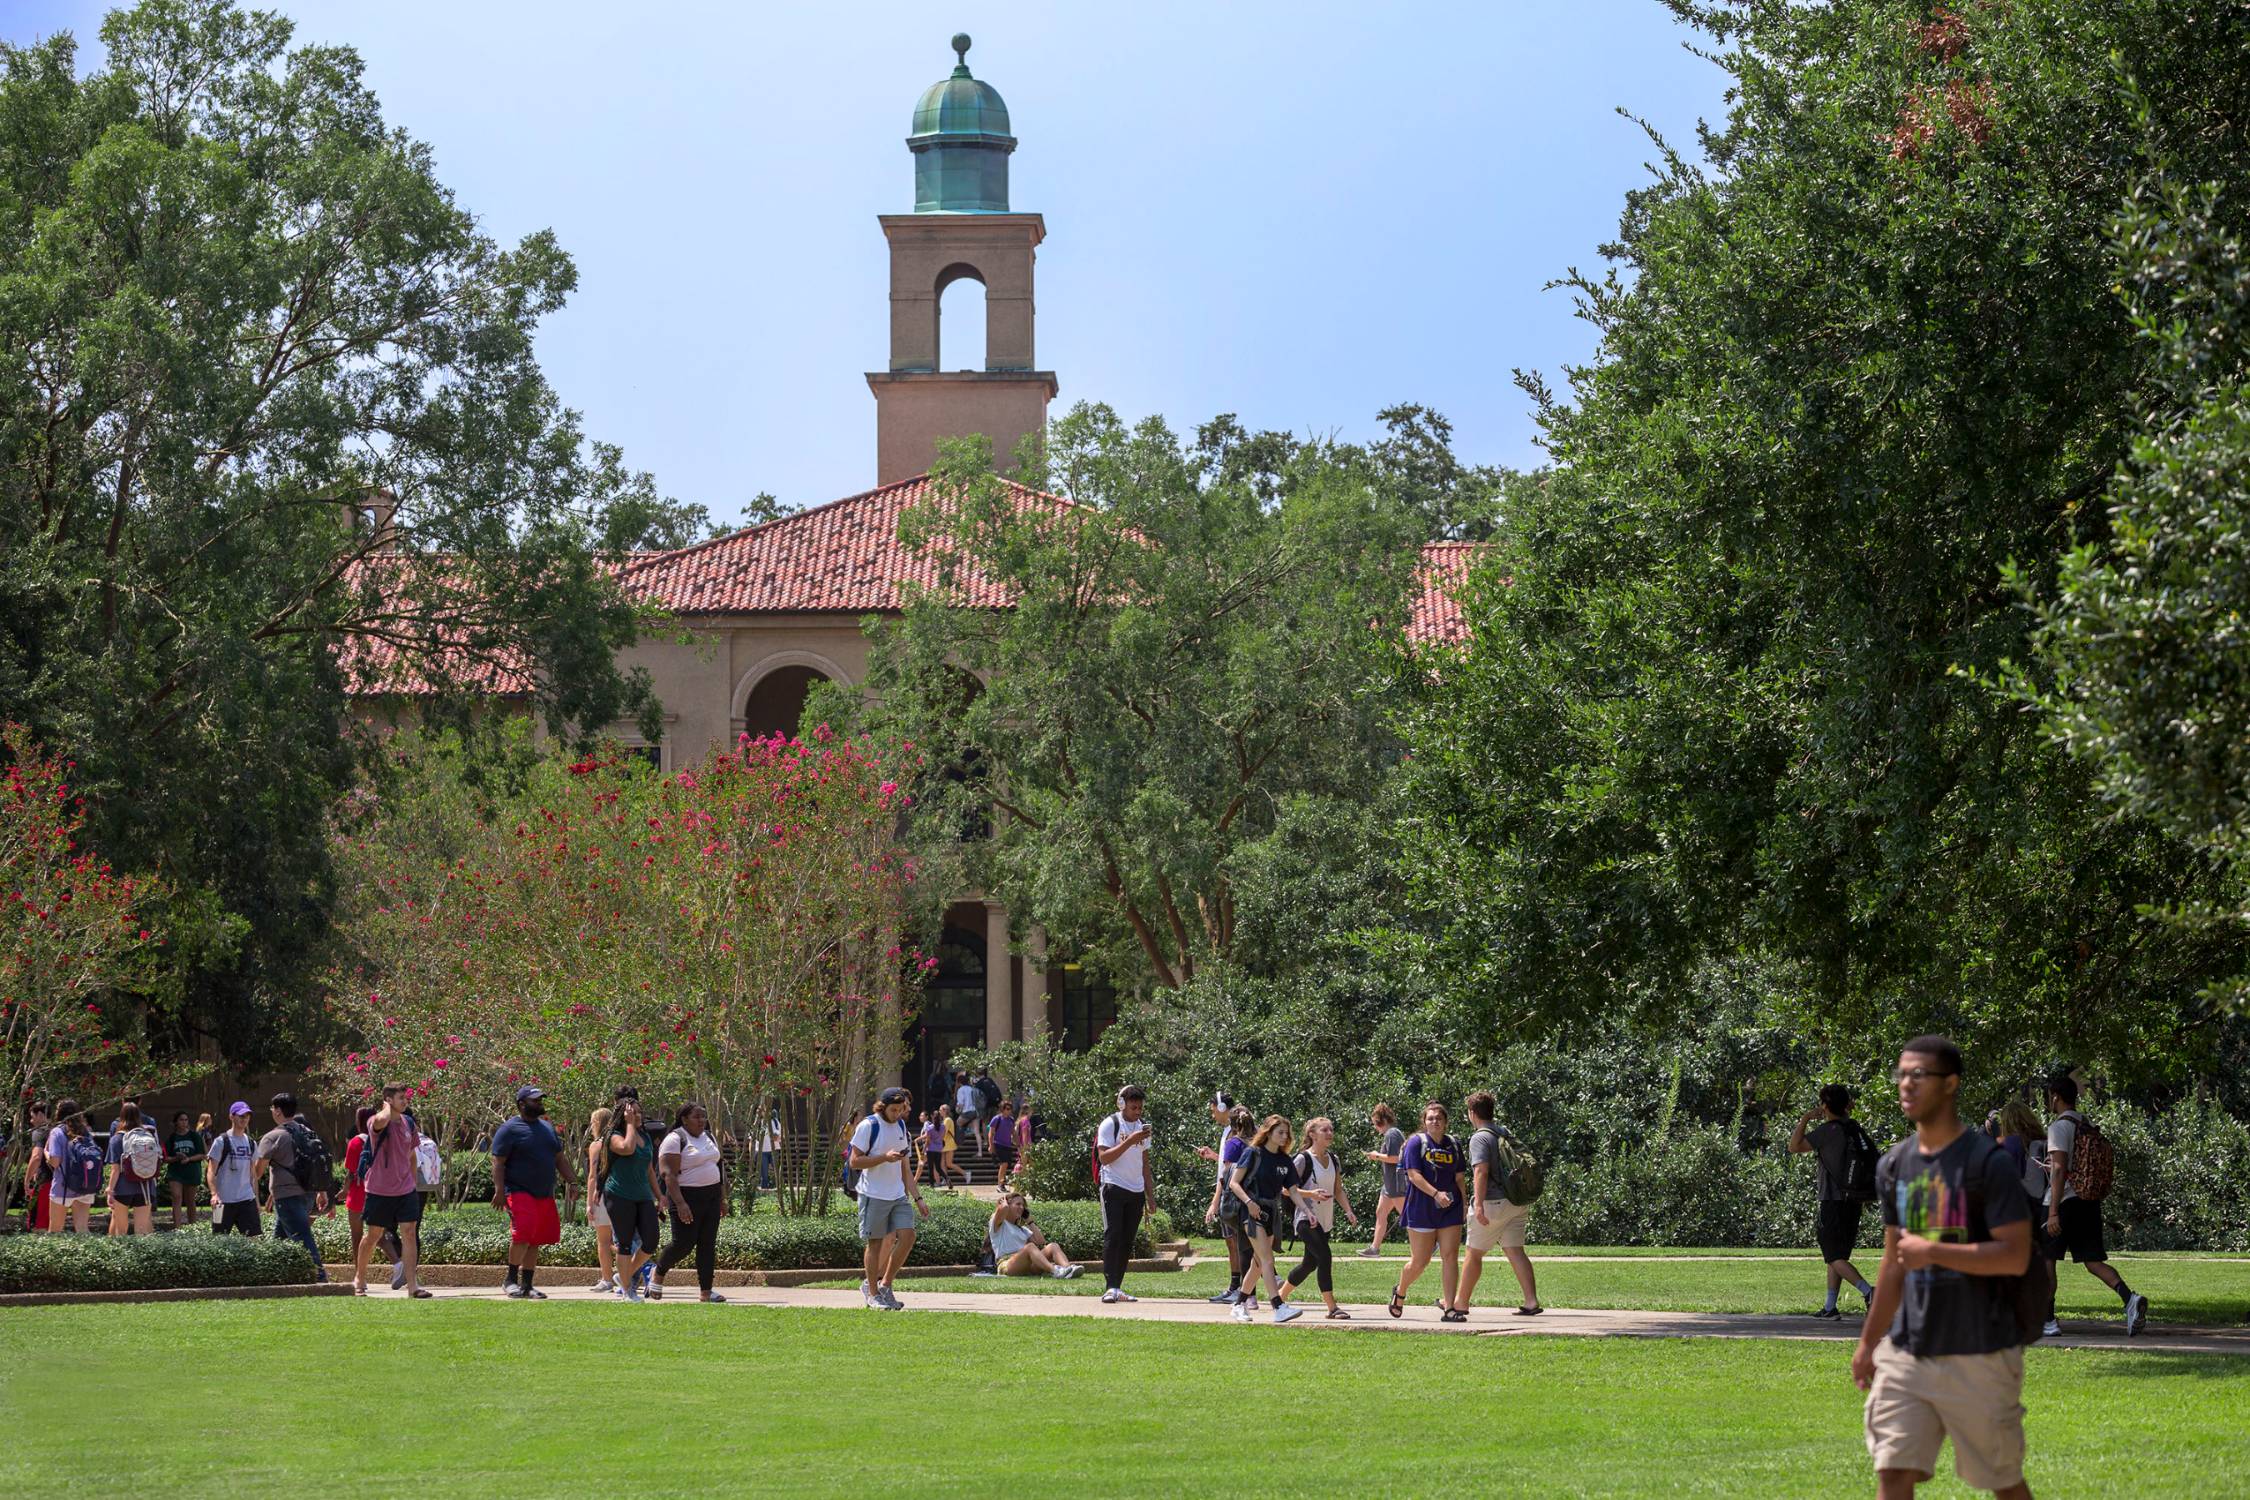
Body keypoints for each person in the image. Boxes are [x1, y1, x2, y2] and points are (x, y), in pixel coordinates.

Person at [1853, 1036, 2036, 1499]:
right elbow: (1894, 1263)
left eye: (1919, 1075)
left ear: (1950, 1084)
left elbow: (2014, 1255)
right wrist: (1868, 1342)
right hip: (1908, 1351)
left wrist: (1934, 1252)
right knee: (1893, 1470)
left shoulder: (1986, 1163)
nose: (1906, 1084)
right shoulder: (1894, 1165)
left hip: (1979, 1352)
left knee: (2003, 1483)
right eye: (1901, 1074)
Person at [2041, 1074, 2145, 1336]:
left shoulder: (2059, 1127)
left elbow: (2059, 1169)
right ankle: (2129, 1298)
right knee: (2093, 1261)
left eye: (2050, 1096)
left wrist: (2053, 1212)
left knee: (2046, 1261)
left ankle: (2048, 1320)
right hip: (2087, 1201)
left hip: (2062, 1202)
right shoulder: (2085, 1123)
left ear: (2056, 1096)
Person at [1790, 1084, 1877, 1320]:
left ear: (1825, 1106)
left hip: (1832, 1200)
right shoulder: (1853, 1127)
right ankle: (1830, 1307)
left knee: (1832, 1256)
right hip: (1854, 1200)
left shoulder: (1827, 1131)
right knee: (1838, 1255)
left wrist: (1806, 1118)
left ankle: (1869, 1292)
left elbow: (1794, 1146)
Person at [1457, 1091, 1541, 1319]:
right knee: (1515, 1250)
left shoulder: (1480, 1137)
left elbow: (1480, 1171)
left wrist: (1480, 1205)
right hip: (1517, 1201)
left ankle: (1460, 1303)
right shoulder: (1504, 1132)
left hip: (1493, 1202)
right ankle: (1531, 1301)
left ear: (1471, 1113)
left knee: (1473, 1253)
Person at [847, 1086, 928, 1310]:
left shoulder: (902, 1126)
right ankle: (872, 1293)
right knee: (875, 1243)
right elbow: (855, 1161)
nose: (898, 1114)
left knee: (908, 1236)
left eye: (901, 1109)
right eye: (893, 1110)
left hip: (897, 1195)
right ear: (882, 1107)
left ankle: (886, 1285)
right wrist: (883, 1157)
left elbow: (906, 1170)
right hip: (873, 1193)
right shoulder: (868, 1126)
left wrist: (918, 1198)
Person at [1223, 1114, 1304, 1324]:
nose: (1285, 1137)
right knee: (1268, 1259)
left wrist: (1307, 1212)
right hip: (1250, 1212)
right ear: (1267, 1132)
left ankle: (1238, 1304)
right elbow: (1234, 1182)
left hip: (1270, 1212)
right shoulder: (1253, 1153)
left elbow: (1293, 1191)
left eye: (1287, 1133)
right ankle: (1278, 1307)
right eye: (1280, 1132)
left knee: (1258, 1263)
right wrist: (1249, 1203)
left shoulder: (1285, 1160)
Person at [1274, 1115, 1357, 1319]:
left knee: (1309, 1264)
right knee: (1325, 1257)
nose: (1330, 1133)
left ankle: (1279, 1297)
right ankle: (1332, 1308)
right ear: (1312, 1134)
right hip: (1306, 1217)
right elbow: (1285, 1189)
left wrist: (1348, 1211)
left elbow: (1338, 1190)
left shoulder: (1334, 1159)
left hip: (1325, 1219)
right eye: (1324, 1130)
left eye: (1331, 1129)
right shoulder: (1303, 1159)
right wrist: (1311, 1194)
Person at [1389, 1102, 1466, 1320]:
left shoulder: (1453, 1144)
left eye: (1439, 1118)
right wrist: (1435, 1194)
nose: (1435, 1121)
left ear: (1445, 1121)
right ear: (1424, 1122)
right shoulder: (1416, 1143)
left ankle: (1450, 1308)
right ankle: (1400, 1291)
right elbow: (1413, 1175)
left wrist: (1465, 1203)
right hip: (1421, 1208)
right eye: (1430, 1118)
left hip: (1450, 1208)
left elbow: (1459, 1177)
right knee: (1420, 1261)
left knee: (1450, 1256)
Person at [492, 1085, 568, 1300]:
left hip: (543, 1193)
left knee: (535, 1239)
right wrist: (499, 1191)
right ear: (522, 1103)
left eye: (540, 1100)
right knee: (522, 1235)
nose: (540, 1104)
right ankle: (510, 1280)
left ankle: (527, 1285)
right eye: (535, 1100)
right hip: (518, 1191)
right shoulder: (509, 1129)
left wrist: (572, 1182)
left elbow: (559, 1158)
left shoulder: (547, 1128)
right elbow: (498, 1162)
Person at [353, 1084, 427, 1297]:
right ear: (388, 1100)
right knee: (374, 1235)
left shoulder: (408, 1123)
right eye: (401, 1098)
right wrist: (386, 1107)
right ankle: (360, 1277)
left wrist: (412, 1184)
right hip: (379, 1189)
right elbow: (381, 1121)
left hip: (405, 1190)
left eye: (406, 1097)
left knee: (410, 1233)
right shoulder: (376, 1121)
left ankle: (413, 1286)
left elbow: (411, 1156)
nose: (405, 1101)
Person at [653, 1101, 729, 1303]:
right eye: (696, 1117)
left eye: (703, 1116)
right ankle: (658, 1273)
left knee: (707, 1244)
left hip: (711, 1196)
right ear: (684, 1119)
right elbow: (667, 1174)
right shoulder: (675, 1139)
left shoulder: (709, 1137)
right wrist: (680, 1203)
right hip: (686, 1196)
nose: (701, 1120)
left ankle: (706, 1291)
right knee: (683, 1244)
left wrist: (722, 1198)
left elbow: (718, 1168)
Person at [254, 1092, 330, 1282]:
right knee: (280, 1238)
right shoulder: (307, 1131)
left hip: (287, 1195)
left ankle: (320, 1277)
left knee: (302, 1237)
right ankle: (273, 1276)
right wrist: (321, 1191)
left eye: (272, 1108)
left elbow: (257, 1171)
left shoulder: (272, 1137)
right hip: (308, 1192)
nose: (272, 1111)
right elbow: (317, 1162)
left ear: (278, 1111)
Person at [1095, 1084, 1153, 1304]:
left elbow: (1145, 1163)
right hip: (1113, 1186)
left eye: (1140, 1108)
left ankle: (1118, 1286)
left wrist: (1150, 1195)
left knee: (1127, 1240)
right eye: (1133, 1107)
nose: (1137, 1112)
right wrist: (1130, 1140)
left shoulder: (1142, 1128)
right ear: (1122, 1104)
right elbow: (1104, 1158)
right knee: (1113, 1236)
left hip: (1136, 1189)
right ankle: (1109, 1287)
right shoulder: (1111, 1124)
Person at [603, 1094, 661, 1301]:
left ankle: (623, 1275)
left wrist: (659, 1196)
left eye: (639, 1112)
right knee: (625, 1243)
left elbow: (649, 1171)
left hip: (642, 1195)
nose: (637, 1115)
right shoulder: (614, 1136)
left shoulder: (645, 1137)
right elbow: (627, 1149)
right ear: (623, 1115)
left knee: (651, 1241)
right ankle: (628, 1290)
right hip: (619, 1195)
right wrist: (629, 1125)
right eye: (632, 1112)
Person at [1201, 1100, 1256, 1307]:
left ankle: (1244, 1291)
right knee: (1239, 1244)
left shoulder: (1232, 1139)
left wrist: (1215, 1202)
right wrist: (1214, 1156)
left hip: (1234, 1196)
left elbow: (1227, 1175)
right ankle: (1241, 1290)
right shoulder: (1231, 1137)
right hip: (1242, 1195)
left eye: (1213, 1109)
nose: (1213, 1113)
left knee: (1240, 1244)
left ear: (1223, 1109)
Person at [341, 1107, 399, 1289]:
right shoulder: (383, 1140)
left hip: (358, 1194)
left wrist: (343, 1190)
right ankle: (398, 1263)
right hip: (378, 1192)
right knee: (377, 1235)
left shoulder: (356, 1142)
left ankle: (360, 1277)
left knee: (358, 1237)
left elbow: (351, 1172)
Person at [988, 1191, 1081, 1278]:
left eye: (1023, 1206)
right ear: (1007, 1205)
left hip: (1027, 1265)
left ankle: (1068, 1270)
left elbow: (1041, 1241)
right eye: (1018, 1204)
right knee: (1030, 1247)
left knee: (1053, 1246)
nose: (1021, 1208)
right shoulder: (998, 1223)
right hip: (1007, 1265)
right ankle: (1056, 1271)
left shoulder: (1022, 1229)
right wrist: (1004, 1202)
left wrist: (1029, 1221)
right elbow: (1003, 1209)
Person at [43, 1099, 101, 1233]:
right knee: (82, 1229)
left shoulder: (57, 1132)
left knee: (55, 1230)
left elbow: (55, 1162)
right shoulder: (86, 1131)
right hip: (85, 1185)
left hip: (63, 1187)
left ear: (59, 1114)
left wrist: (46, 1153)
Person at [104, 1101, 161, 1236]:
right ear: (138, 1116)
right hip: (145, 1186)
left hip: (123, 1188)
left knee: (121, 1231)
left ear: (121, 1116)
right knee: (141, 1231)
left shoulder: (117, 1139)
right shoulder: (149, 1135)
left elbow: (115, 1169)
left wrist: (110, 1190)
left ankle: (122, 1256)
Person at [1358, 1102, 1408, 1257]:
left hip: (1396, 1183)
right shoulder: (1392, 1133)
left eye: (1376, 1123)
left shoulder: (1392, 1134)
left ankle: (1430, 1243)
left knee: (1408, 1217)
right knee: (1381, 1213)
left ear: (1382, 1121)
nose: (1375, 1127)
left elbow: (1395, 1158)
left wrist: (1375, 1156)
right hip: (1389, 1184)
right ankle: (1374, 1248)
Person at [206, 1101, 261, 1236]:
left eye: (247, 1116)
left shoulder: (251, 1143)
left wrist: (257, 1200)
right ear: (231, 1116)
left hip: (246, 1199)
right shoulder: (221, 1141)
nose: (244, 1119)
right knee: (219, 1240)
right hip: (222, 1202)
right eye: (241, 1115)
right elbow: (211, 1170)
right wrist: (214, 1194)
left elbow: (253, 1175)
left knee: (254, 1239)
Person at [584, 1107, 620, 1293]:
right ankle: (630, 1273)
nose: (591, 1127)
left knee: (604, 1241)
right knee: (624, 1239)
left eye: (592, 1123)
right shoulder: (619, 1142)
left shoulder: (596, 1145)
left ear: (597, 1123)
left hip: (602, 1195)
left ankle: (607, 1279)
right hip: (622, 1194)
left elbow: (592, 1176)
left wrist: (589, 1202)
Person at [163, 1110, 208, 1229]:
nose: (184, 1122)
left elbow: (202, 1154)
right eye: (181, 1120)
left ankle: (192, 1226)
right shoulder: (172, 1138)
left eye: (186, 1120)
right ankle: (177, 1227)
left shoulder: (194, 1136)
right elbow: (166, 1158)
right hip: (176, 1171)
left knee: (190, 1200)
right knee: (176, 1196)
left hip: (191, 1170)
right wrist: (176, 1158)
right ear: (176, 1122)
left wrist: (189, 1159)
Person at [20, 1101, 51, 1232]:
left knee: (38, 1223)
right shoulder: (58, 1129)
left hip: (43, 1182)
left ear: (39, 1114)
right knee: (51, 1221)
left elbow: (36, 1157)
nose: (31, 1121)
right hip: (59, 1182)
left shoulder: (39, 1132)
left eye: (32, 1116)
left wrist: (26, 1180)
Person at [990, 1099, 1020, 1187]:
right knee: (1004, 1163)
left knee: (1006, 1164)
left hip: (1008, 1145)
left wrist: (1018, 1143)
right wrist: (991, 1145)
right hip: (998, 1144)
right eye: (1007, 1108)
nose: (1009, 1111)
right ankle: (1000, 1184)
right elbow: (991, 1133)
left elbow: (1013, 1133)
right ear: (1002, 1109)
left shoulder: (1011, 1120)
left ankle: (1002, 1182)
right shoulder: (997, 1119)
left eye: (1010, 1109)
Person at [954, 1072, 984, 1157]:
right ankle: (980, 1152)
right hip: (976, 1111)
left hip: (967, 1111)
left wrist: (957, 1109)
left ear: (959, 1082)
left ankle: (959, 1144)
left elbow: (960, 1103)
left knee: (958, 1123)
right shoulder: (972, 1089)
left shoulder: (961, 1090)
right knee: (977, 1132)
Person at [938, 1103, 963, 1188]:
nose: (939, 1111)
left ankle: (965, 1173)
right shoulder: (945, 1120)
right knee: (942, 1164)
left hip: (948, 1144)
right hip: (944, 1144)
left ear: (945, 1111)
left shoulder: (947, 1120)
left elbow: (943, 1132)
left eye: (940, 1110)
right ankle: (945, 1179)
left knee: (948, 1163)